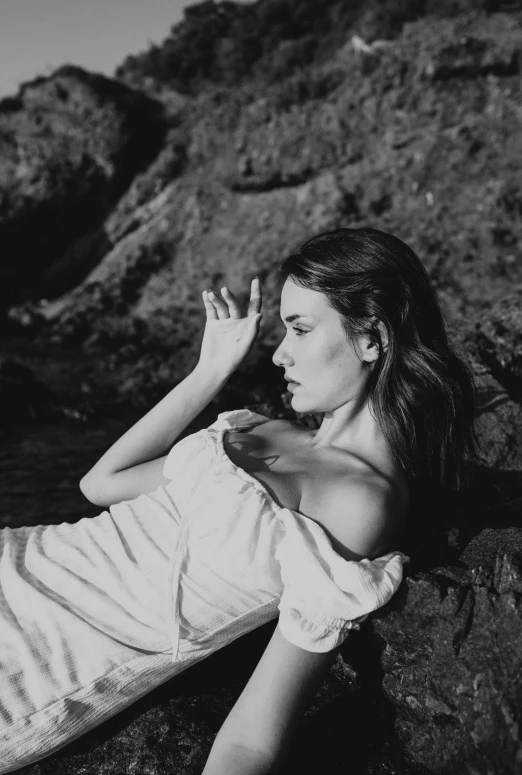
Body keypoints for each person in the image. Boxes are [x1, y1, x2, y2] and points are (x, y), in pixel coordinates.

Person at [0, 227, 477, 775]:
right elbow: (101, 484)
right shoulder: (264, 429)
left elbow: (254, 735)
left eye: (299, 329)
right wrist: (210, 372)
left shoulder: (360, 505)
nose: (278, 355)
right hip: (18, 559)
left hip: (33, 658)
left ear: (373, 338)